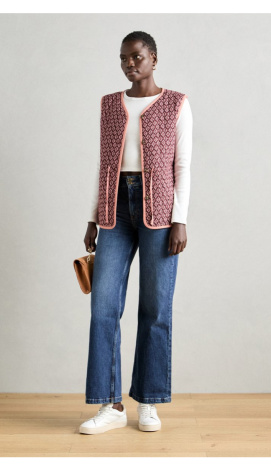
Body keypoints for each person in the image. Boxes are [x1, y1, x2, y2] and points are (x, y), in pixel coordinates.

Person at [79, 31, 193, 435]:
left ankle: (149, 400)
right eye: (124, 58)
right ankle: (110, 405)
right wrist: (93, 217)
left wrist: (180, 219)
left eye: (137, 56)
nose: (130, 63)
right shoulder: (110, 104)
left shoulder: (177, 103)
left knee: (156, 308)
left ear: (154, 58)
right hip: (115, 210)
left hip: (159, 211)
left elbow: (183, 166)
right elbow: (104, 163)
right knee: (103, 308)